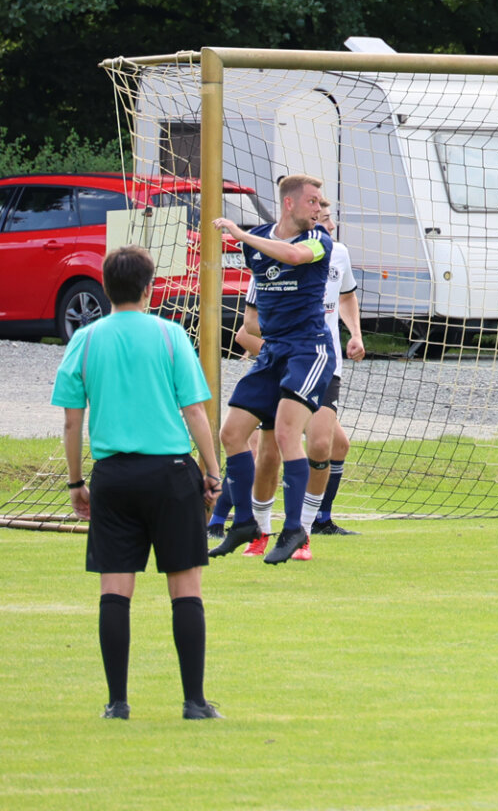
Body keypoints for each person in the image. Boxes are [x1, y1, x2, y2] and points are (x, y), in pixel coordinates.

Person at [50, 245, 223, 720]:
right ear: (150, 288)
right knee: (185, 588)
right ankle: (194, 702)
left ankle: (117, 703)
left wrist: (75, 482)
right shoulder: (170, 336)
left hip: (114, 477)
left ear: (105, 289)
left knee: (115, 590)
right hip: (170, 474)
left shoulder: (84, 341)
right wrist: (212, 471)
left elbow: (72, 422)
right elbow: (194, 412)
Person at [210, 198, 365, 558]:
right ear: (290, 206)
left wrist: (355, 333)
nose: (324, 220)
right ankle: (254, 527)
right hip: (278, 357)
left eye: (327, 217)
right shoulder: (266, 253)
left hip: (316, 357)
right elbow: (248, 326)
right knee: (259, 448)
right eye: (318, 212)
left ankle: (304, 529)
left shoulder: (328, 249)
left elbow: (346, 296)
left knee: (320, 444)